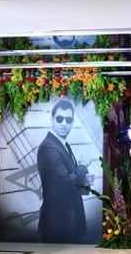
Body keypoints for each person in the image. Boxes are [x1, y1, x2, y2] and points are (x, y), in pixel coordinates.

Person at [38, 99, 93, 244]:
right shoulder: (49, 147)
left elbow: (68, 183)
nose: (64, 123)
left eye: (68, 120)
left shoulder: (62, 145)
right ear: (52, 119)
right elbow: (66, 182)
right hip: (57, 223)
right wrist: (82, 165)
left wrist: (84, 182)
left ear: (72, 122)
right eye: (59, 118)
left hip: (67, 221)